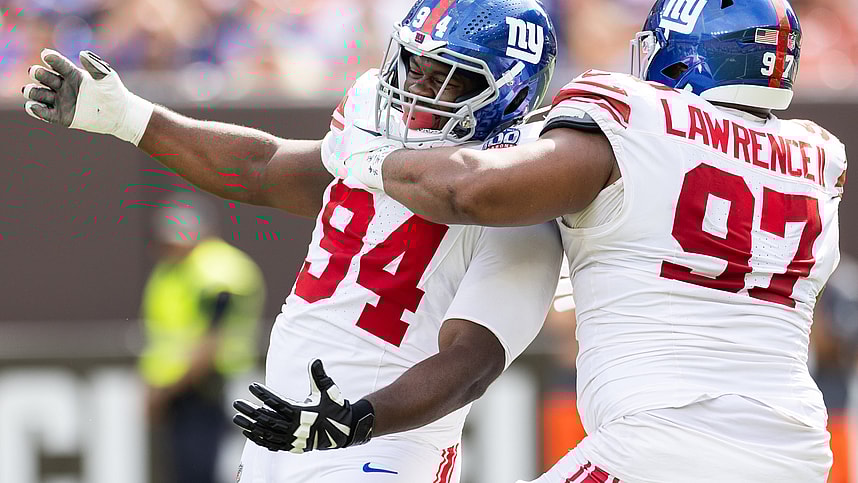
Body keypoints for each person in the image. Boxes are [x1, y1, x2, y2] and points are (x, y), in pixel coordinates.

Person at [20, 0, 561, 481]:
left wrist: (357, 419)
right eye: (416, 65)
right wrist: (130, 117)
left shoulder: (518, 198)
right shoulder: (374, 131)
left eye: (449, 76)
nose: (418, 88)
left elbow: (472, 362)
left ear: (509, 92)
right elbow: (264, 166)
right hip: (285, 428)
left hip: (385, 444)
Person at [322, 0, 848, 481]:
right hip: (796, 448)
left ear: (685, 52)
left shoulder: (638, 117)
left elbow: (471, 191)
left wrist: (361, 156)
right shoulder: (818, 159)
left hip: (661, 435)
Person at [139, 195, 265, 483]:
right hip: (180, 391)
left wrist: (164, 389)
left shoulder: (216, 268)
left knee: (213, 469)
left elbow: (212, 340)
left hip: (213, 388)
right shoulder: (172, 271)